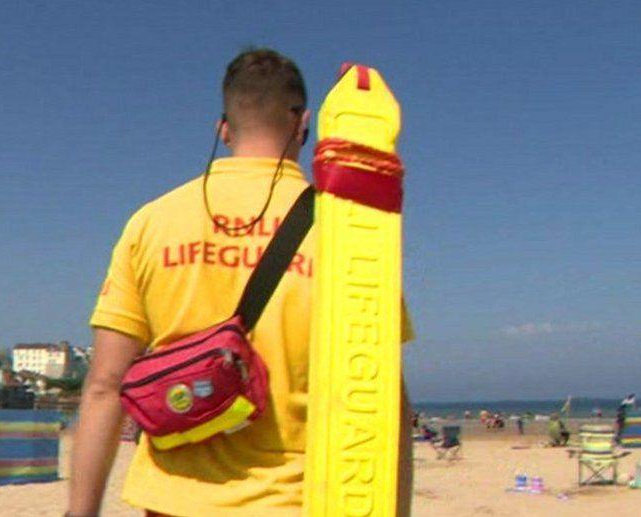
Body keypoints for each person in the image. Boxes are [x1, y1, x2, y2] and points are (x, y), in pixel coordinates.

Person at [68, 48, 413, 516]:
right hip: (297, 500)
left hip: (172, 500)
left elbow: (105, 385)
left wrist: (81, 512)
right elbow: (384, 395)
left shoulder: (152, 223)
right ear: (304, 123)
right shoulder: (350, 228)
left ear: (222, 128)